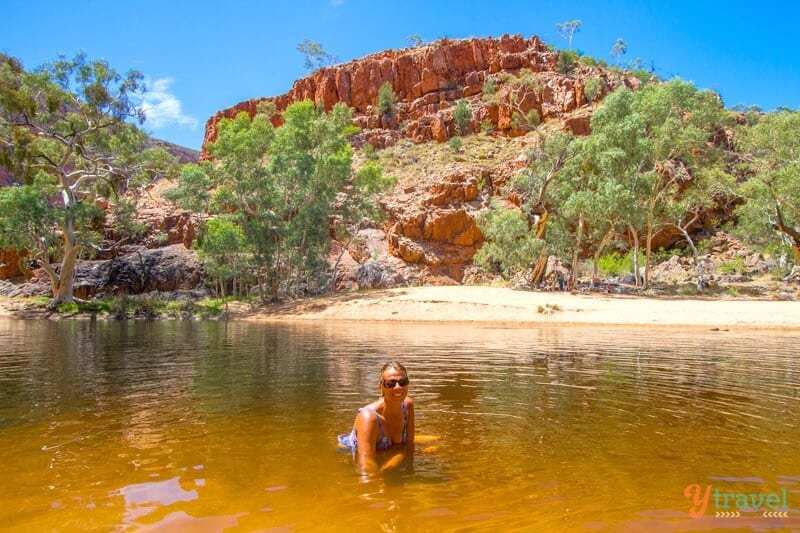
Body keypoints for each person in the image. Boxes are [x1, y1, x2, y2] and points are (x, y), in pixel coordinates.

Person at [338, 361, 415, 475]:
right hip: (349, 453)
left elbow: (409, 445)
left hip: (388, 452)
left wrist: (395, 460)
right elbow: (366, 464)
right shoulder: (369, 418)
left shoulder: (407, 406)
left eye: (403, 382)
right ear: (381, 387)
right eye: (390, 383)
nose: (398, 387)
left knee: (434, 444)